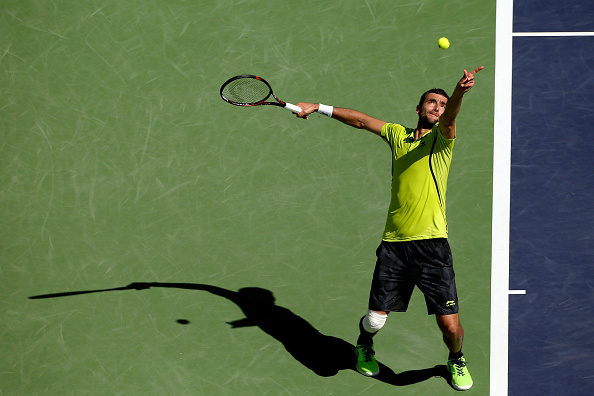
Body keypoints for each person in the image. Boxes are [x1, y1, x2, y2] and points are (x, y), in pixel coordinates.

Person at [294, 66, 484, 391]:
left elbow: (451, 117)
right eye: (431, 102)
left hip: (432, 245)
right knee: (374, 320)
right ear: (418, 109)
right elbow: (362, 121)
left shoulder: (442, 141)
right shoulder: (398, 136)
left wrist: (459, 93)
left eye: (441, 104)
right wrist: (319, 107)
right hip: (395, 245)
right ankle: (364, 344)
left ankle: (455, 358)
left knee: (450, 328)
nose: (437, 107)